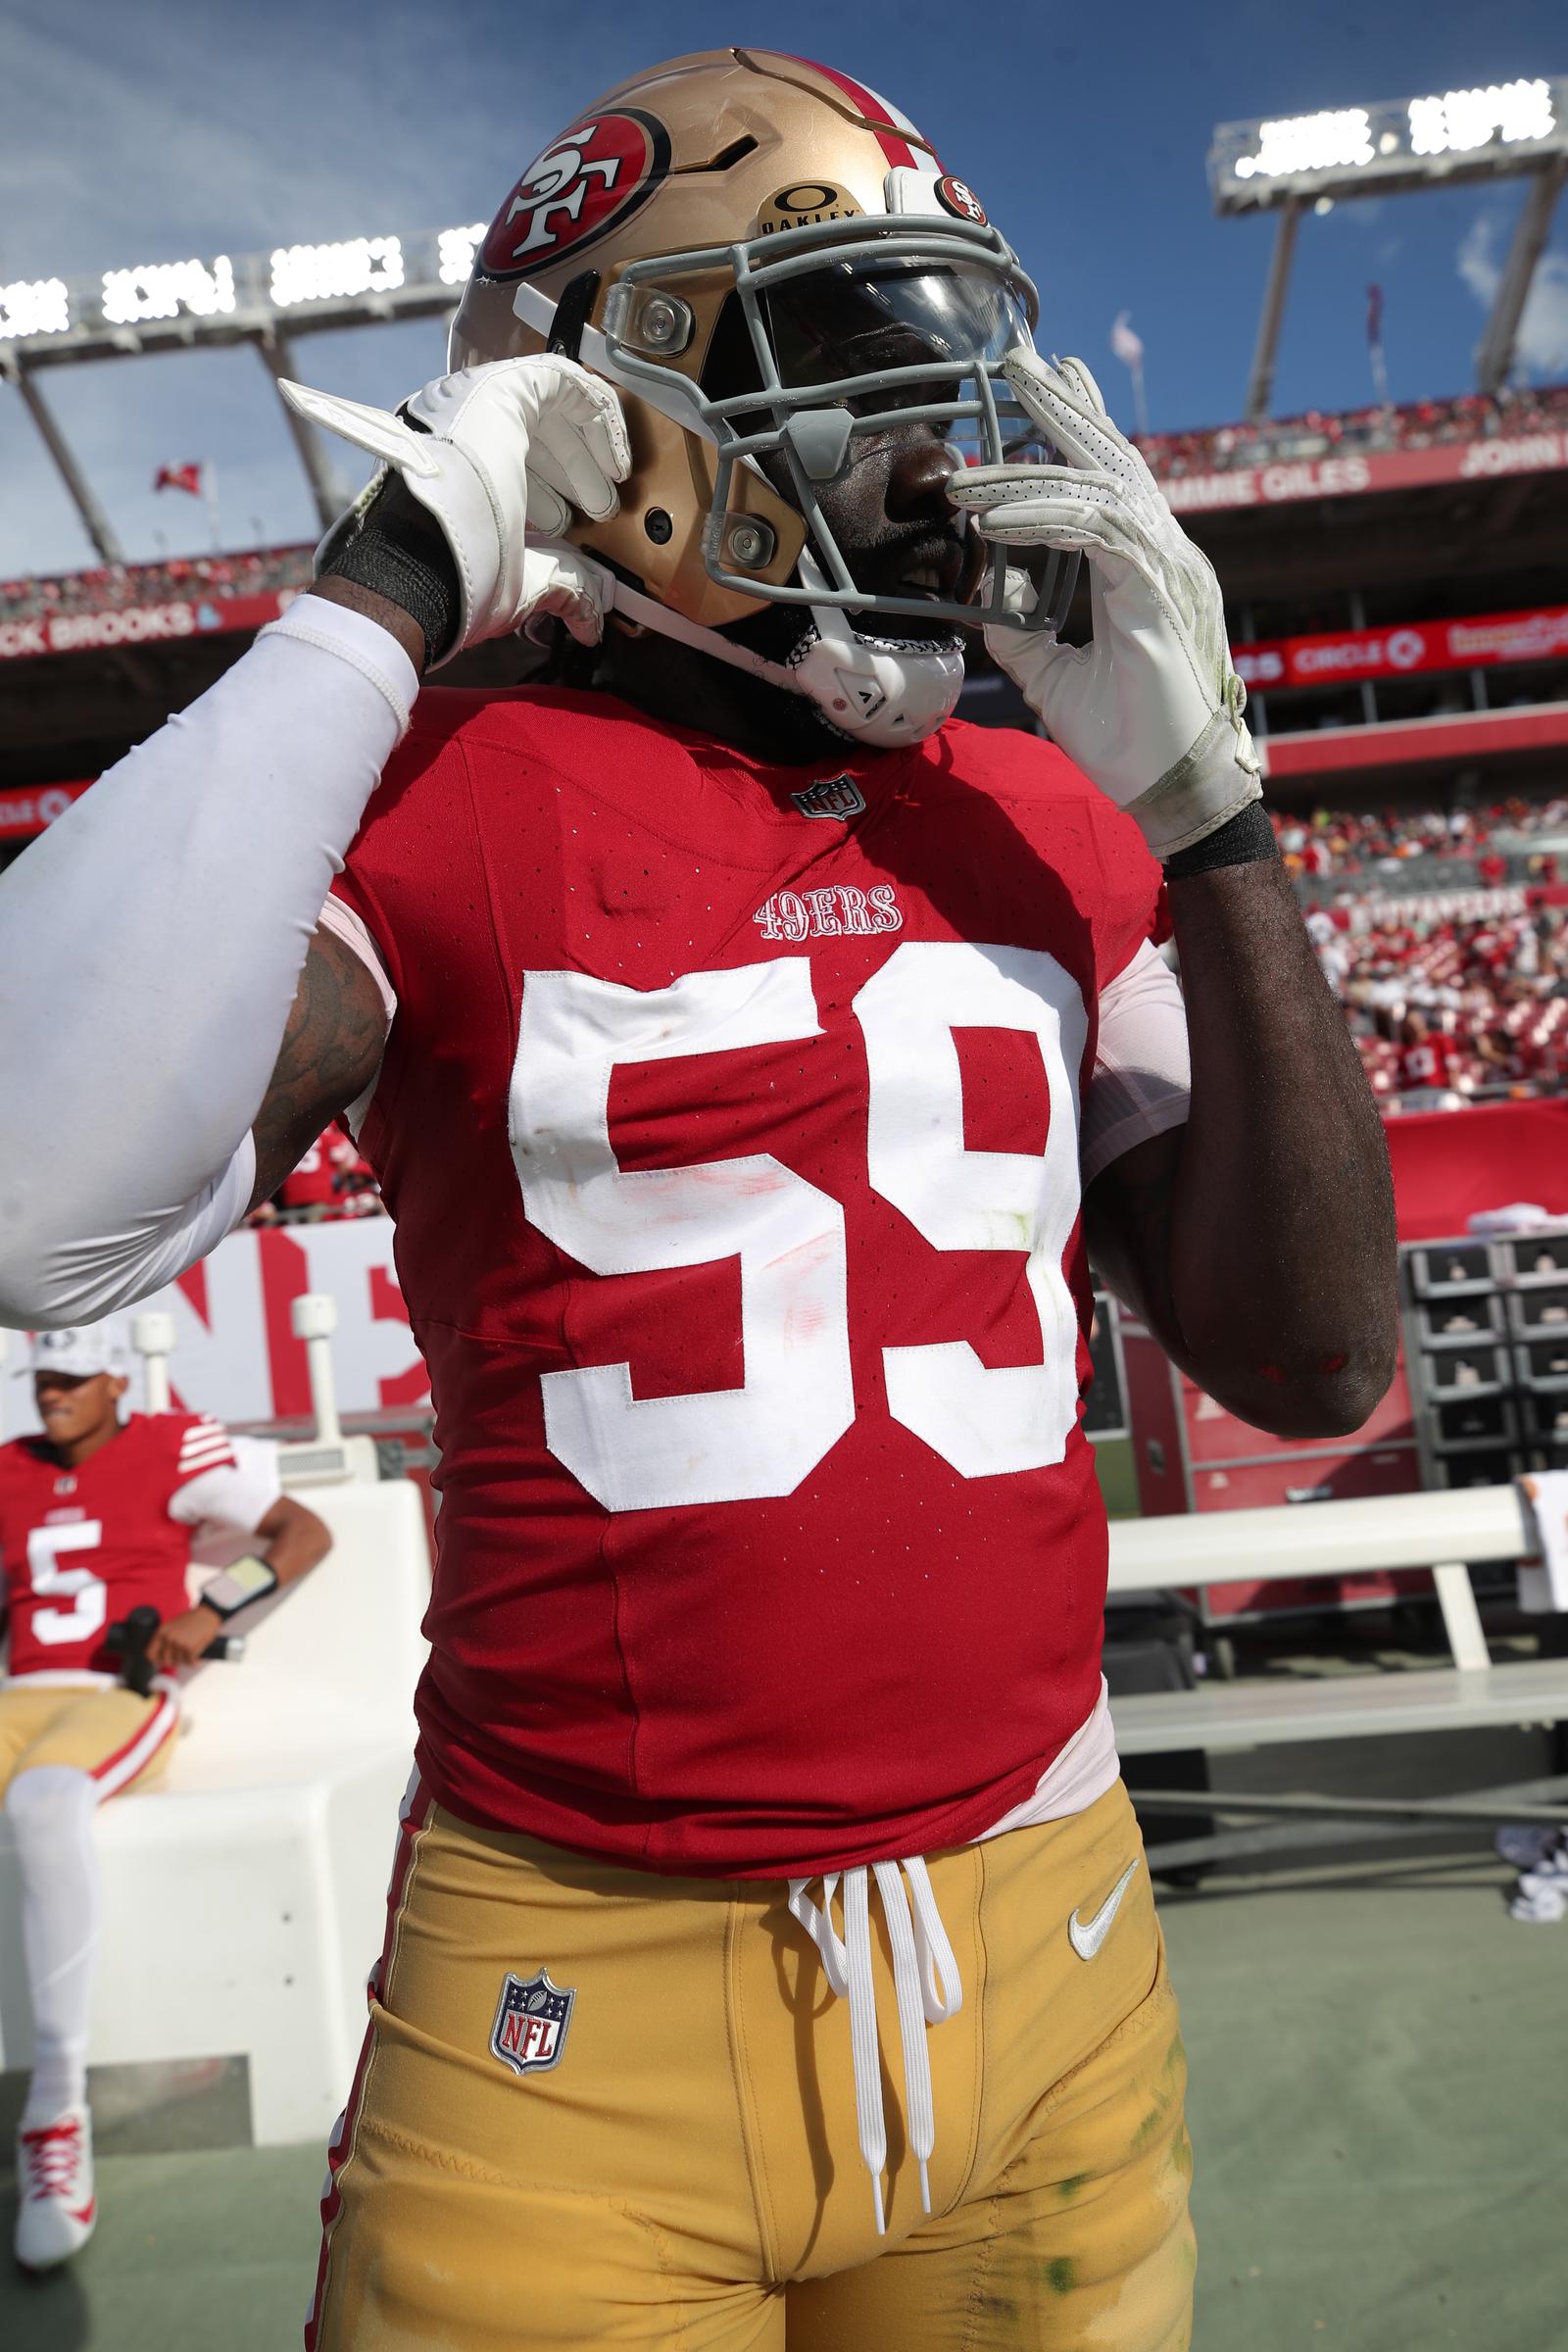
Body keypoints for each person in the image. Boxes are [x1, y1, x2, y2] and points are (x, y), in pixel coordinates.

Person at [0, 50, 1398, 2347]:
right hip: (579, 1991)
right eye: (854, 348)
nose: (956, 440)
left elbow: (1314, 1350)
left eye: (955, 346)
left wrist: (1212, 803)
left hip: (1041, 1938)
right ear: (610, 416)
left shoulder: (1043, 816)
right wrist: (380, 593)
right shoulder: (447, 792)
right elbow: (36, 1203)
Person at [0, 1324, 331, 2270]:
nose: (51, 1393)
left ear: (115, 1377)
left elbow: (303, 1534)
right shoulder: (8, 1466)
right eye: (43, 1376)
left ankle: (54, 2115)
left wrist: (208, 1607)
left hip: (115, 1697)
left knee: (48, 1798)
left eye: (69, 1377)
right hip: (14, 1695)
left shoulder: (171, 1443)